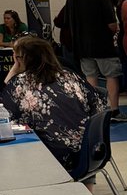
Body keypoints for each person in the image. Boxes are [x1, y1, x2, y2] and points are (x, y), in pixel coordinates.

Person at [1, 36, 104, 170]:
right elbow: (98, 104)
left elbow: (3, 111)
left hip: (52, 155)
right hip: (88, 150)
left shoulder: (20, 83)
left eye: (17, 57)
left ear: (23, 59)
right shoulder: (69, 75)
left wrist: (13, 71)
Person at [62, 0, 127, 121]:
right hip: (102, 45)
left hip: (82, 46)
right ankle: (114, 110)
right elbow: (112, 24)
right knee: (111, 76)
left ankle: (95, 110)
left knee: (90, 77)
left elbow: (66, 20)